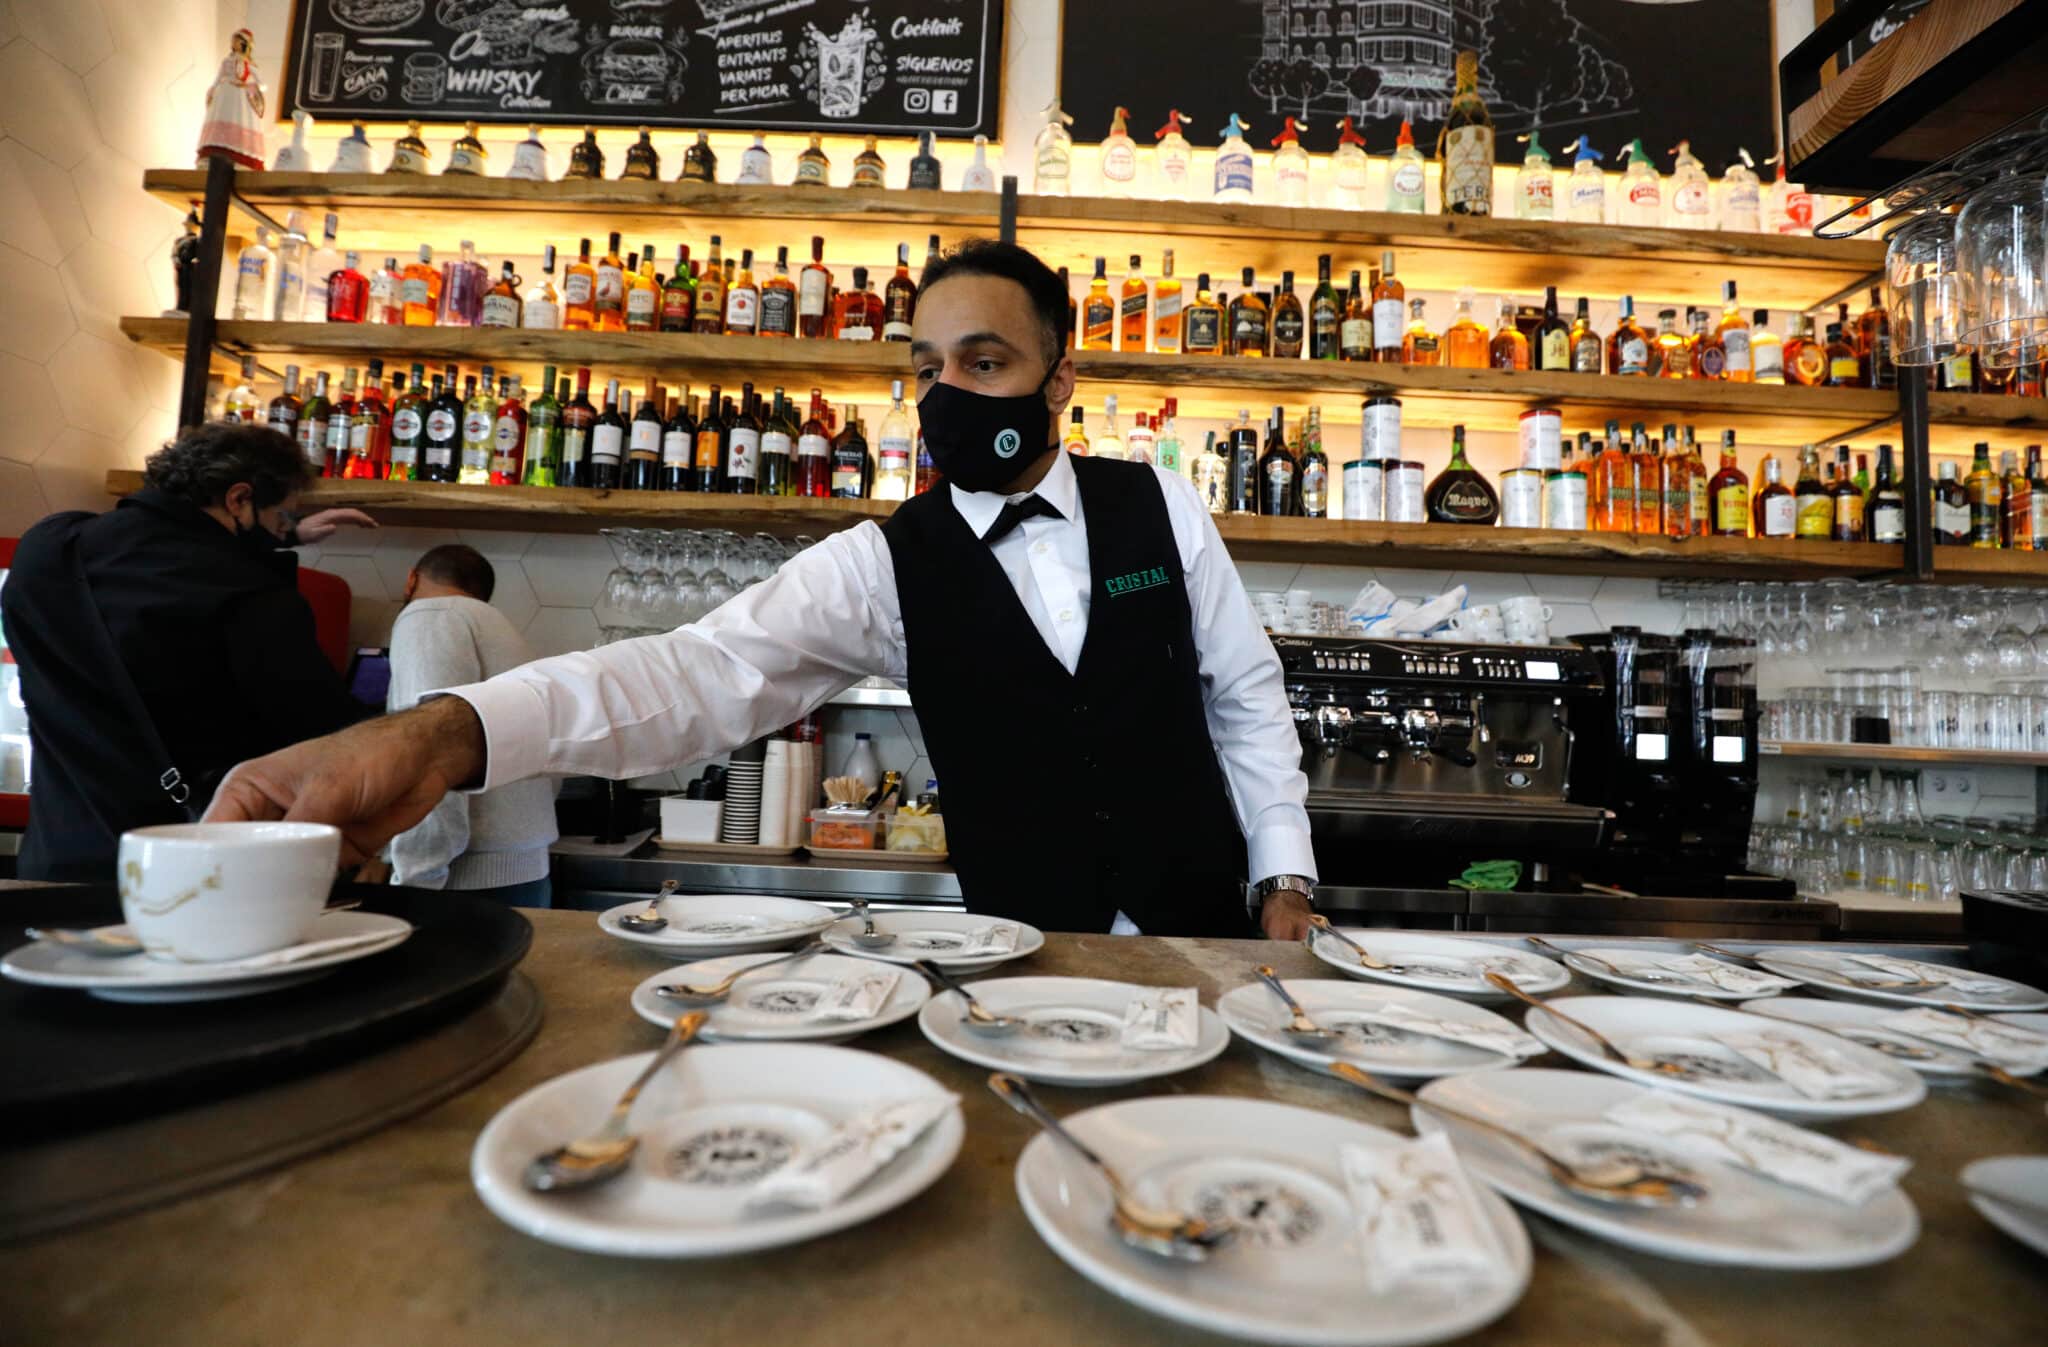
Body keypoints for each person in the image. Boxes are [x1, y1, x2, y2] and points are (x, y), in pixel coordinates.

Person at [209, 240, 1319, 939]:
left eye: (982, 364)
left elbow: (1243, 697)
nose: (946, 395)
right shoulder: (882, 561)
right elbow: (692, 675)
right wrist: (442, 736)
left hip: (1198, 940)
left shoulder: (1159, 506)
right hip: (1017, 960)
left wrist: (1283, 877)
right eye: (926, 371)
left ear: (1059, 376)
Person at [2, 421, 375, 880]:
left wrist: (279, 537)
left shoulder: (51, 546)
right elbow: (323, 732)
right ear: (239, 499)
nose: (281, 534)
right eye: (281, 519)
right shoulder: (250, 594)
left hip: (55, 857)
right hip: (179, 872)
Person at [378, 544, 557, 906]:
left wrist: (415, 881)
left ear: (411, 578)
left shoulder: (429, 615)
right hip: (523, 864)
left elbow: (430, 748)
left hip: (464, 880)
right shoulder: (497, 627)